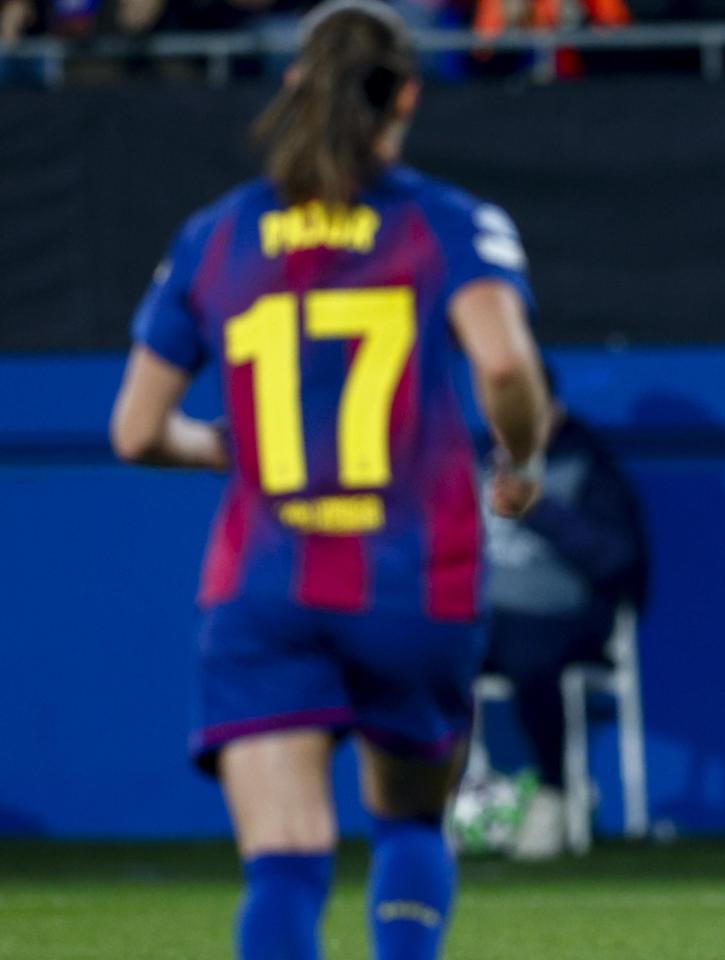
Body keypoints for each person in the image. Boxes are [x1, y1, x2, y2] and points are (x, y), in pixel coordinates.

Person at [107, 3, 550, 957]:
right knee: (409, 825)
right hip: (414, 581)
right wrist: (520, 458)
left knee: (286, 859)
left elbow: (136, 429)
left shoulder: (215, 235)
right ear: (408, 97)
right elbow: (507, 369)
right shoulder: (446, 221)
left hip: (267, 580)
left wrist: (221, 448)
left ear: (295, 83)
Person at [480, 368, 648, 859]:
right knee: (413, 655)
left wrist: (540, 510)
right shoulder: (473, 463)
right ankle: (425, 803)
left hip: (565, 619)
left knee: (532, 658)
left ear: (553, 413)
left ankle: (553, 794)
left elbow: (617, 558)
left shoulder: (590, 467)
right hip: (484, 620)